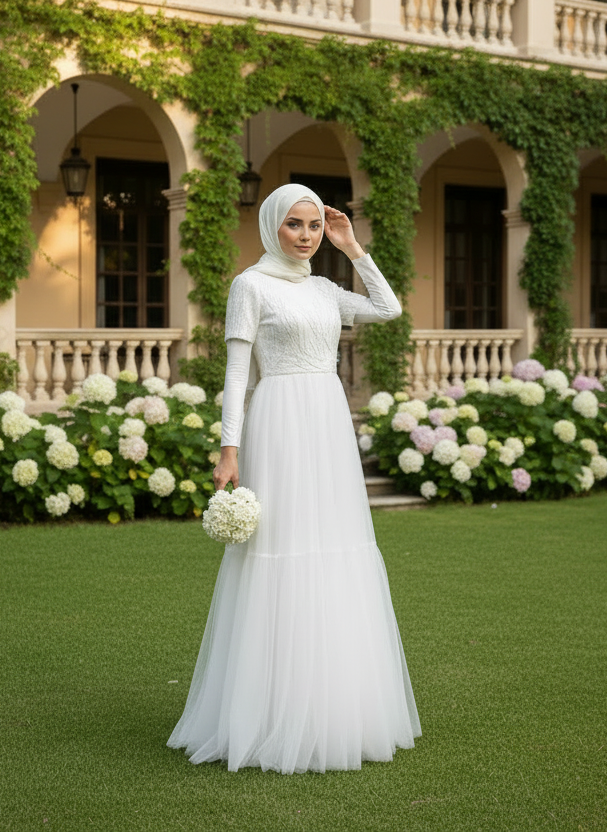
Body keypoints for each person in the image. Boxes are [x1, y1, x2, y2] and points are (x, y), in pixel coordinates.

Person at [167, 183, 421, 774]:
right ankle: (268, 710)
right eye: (295, 225)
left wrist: (352, 246)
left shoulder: (327, 289)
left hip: (328, 425)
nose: (306, 236)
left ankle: (332, 707)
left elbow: (388, 309)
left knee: (335, 548)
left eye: (313, 226)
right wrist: (229, 448)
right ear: (271, 228)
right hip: (277, 422)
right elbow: (236, 374)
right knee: (279, 550)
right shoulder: (249, 286)